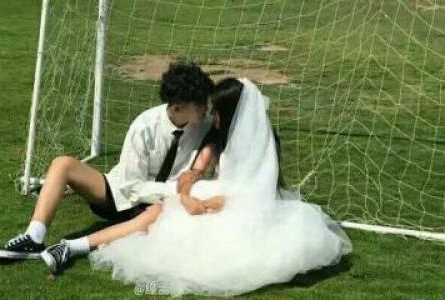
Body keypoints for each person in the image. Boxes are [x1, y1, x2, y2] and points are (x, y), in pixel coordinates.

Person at [89, 78, 353, 296]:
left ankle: (81, 245)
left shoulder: (263, 145)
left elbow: (253, 194)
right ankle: (80, 244)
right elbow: (193, 172)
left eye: (216, 111)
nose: (210, 115)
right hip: (214, 199)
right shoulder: (216, 138)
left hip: (244, 210)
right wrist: (186, 194)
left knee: (166, 229)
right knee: (159, 214)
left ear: (231, 115)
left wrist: (209, 203)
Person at [0, 62, 215, 268]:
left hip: (161, 205)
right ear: (177, 108)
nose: (206, 109)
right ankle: (33, 237)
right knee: (62, 164)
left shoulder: (206, 127)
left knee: (159, 211)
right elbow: (131, 187)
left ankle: (72, 246)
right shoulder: (144, 126)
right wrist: (175, 190)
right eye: (199, 105)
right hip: (121, 196)